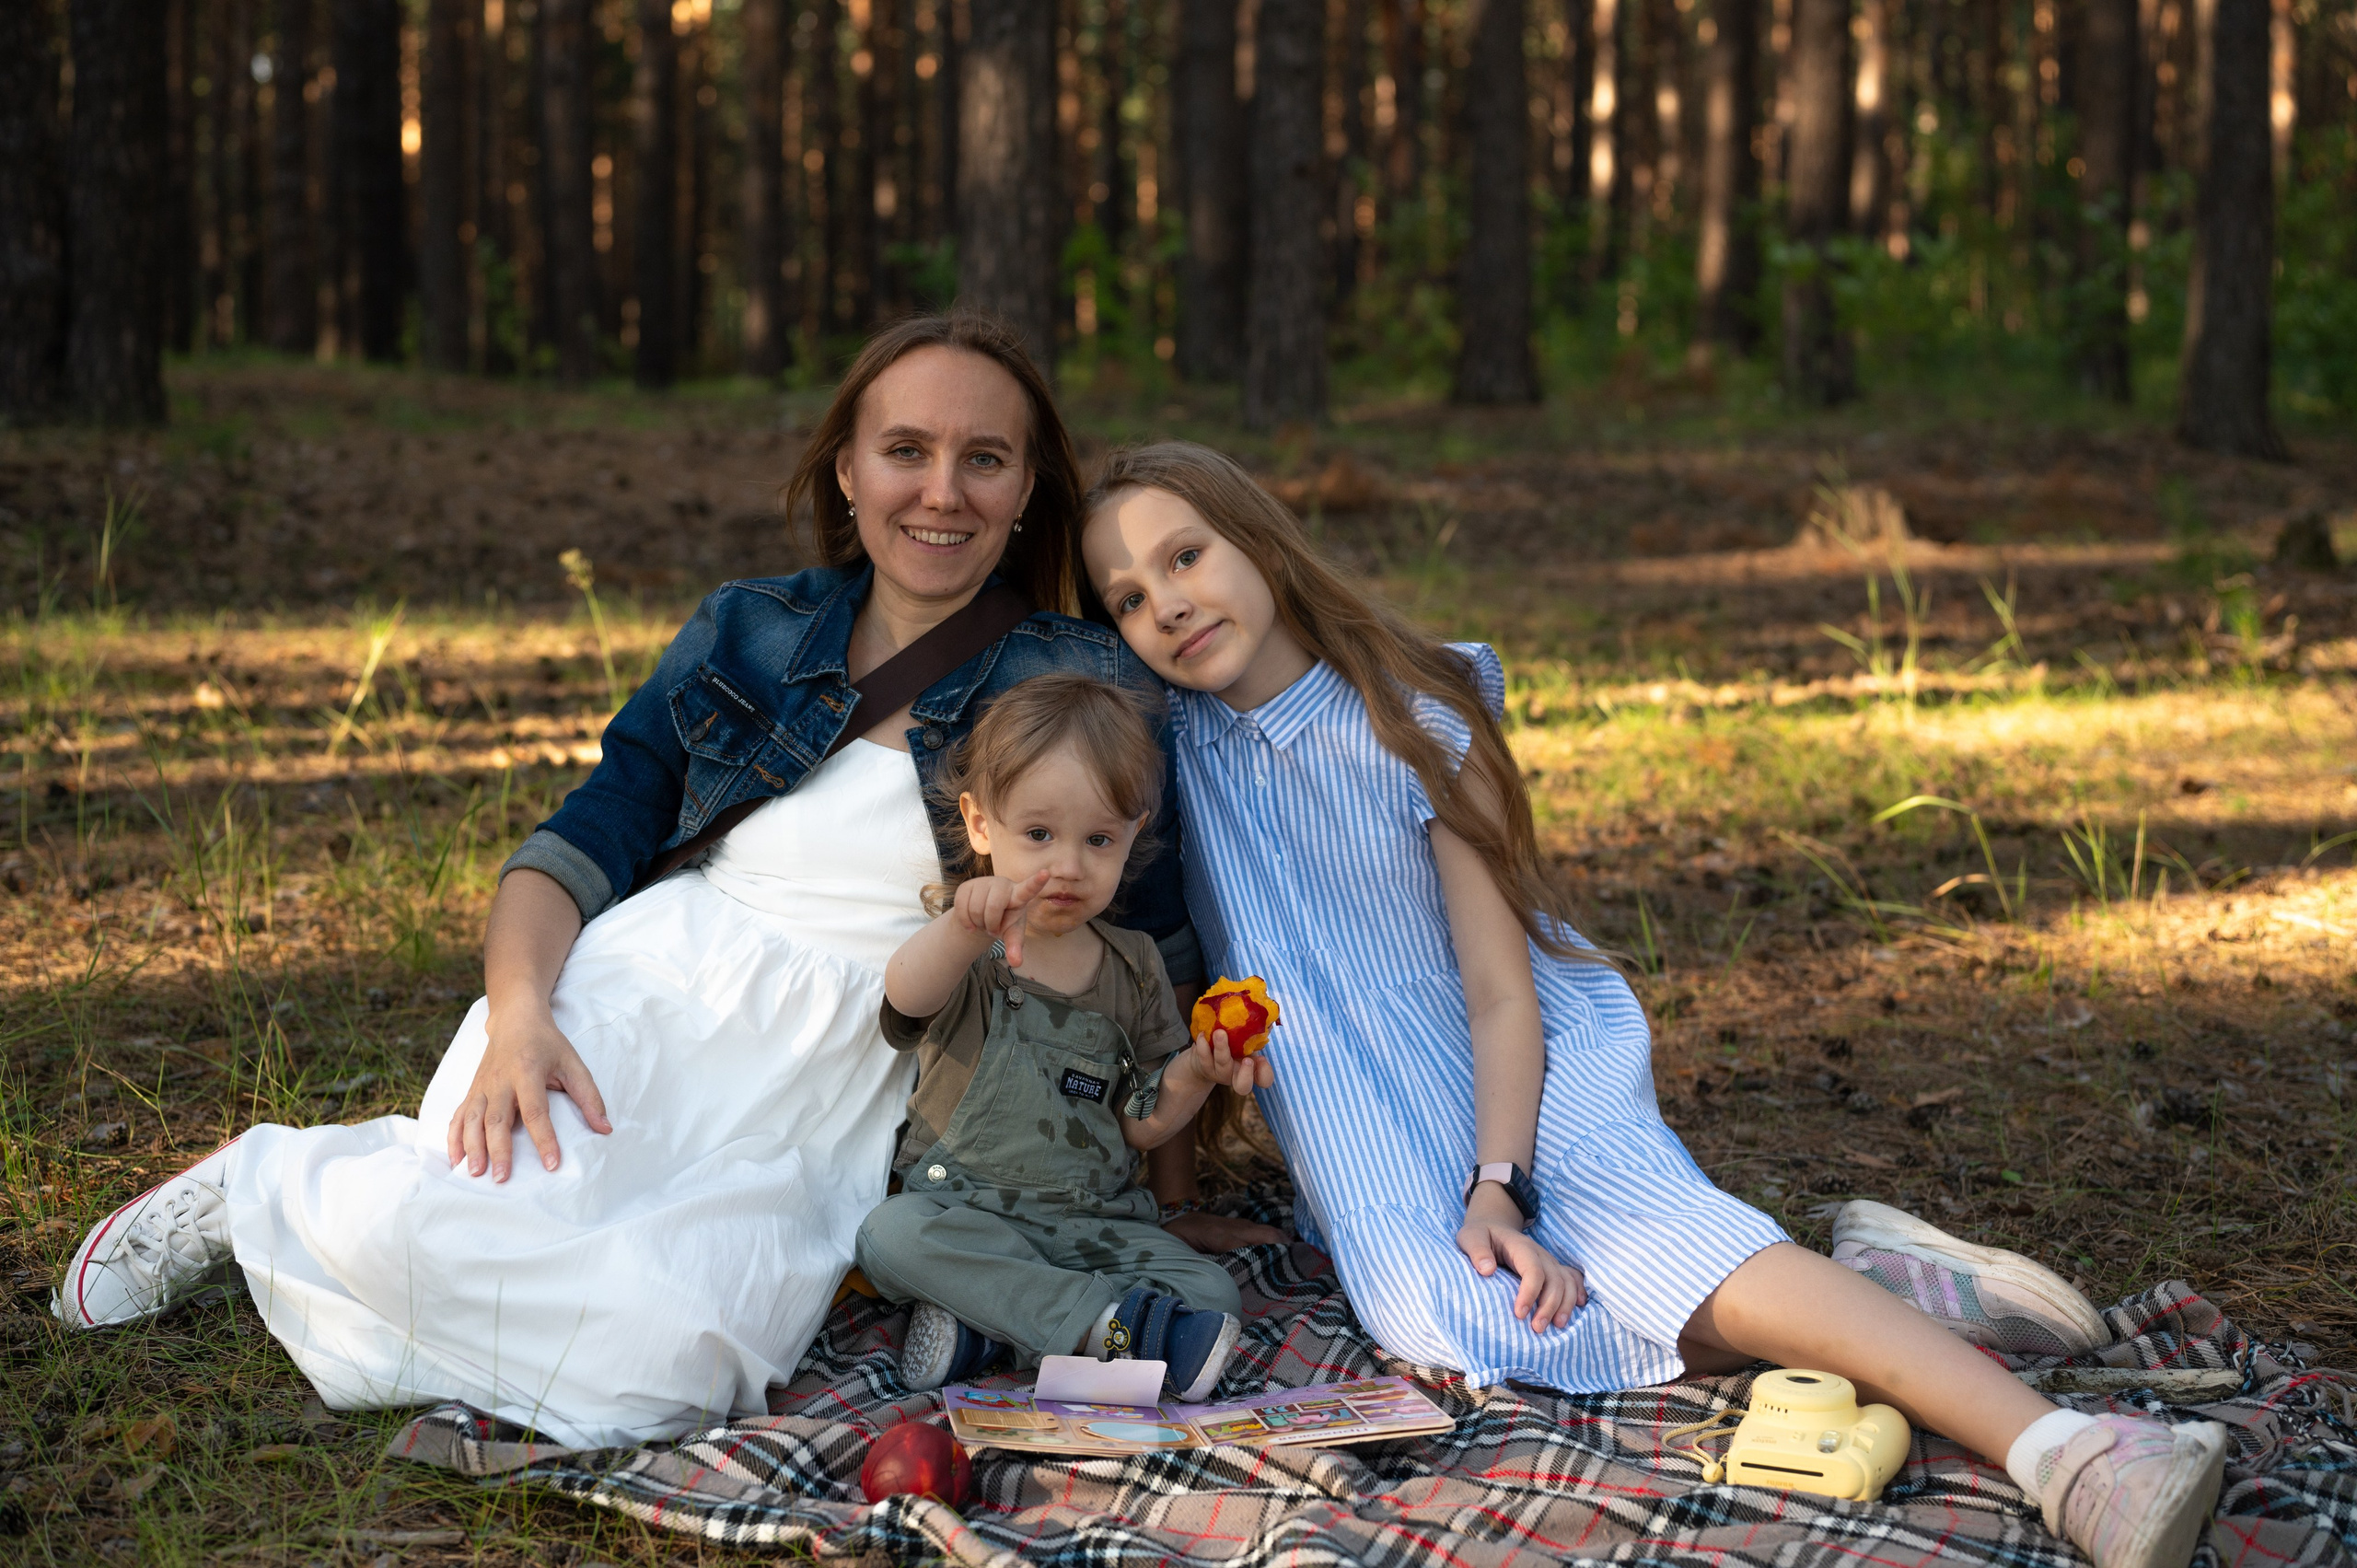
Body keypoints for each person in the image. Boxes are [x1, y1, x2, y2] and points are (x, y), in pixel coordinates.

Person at [50, 314, 1206, 1450]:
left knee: (675, 1357)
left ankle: (360, 1249)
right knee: (436, 1215)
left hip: (857, 1063)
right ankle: (262, 1184)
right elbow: (582, 837)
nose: (941, 491)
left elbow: (1136, 950)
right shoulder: (750, 628)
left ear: (1025, 485)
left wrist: (1164, 1171)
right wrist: (518, 1015)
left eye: (983, 458)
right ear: (849, 469)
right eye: (906, 449)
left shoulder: (1080, 670)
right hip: (658, 994)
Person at [1077, 440, 2229, 1568]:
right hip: (1368, 1117)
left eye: (1186, 557)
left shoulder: (1410, 720)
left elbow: (1498, 992)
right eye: (1128, 597)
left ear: (1264, 546)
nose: (1167, 606)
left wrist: (1500, 1183)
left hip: (1521, 1066)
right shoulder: (1169, 751)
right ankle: (1870, 1285)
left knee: (1649, 1248)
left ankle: (2070, 1452)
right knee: (1453, 1318)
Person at [854, 674, 1269, 1400]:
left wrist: (1198, 1071)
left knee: (1211, 1290)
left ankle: (989, 1332)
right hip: (967, 1211)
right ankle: (1103, 1332)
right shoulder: (967, 944)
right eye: (1039, 833)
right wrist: (959, 926)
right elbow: (903, 998)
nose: (1068, 865)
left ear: (1134, 833)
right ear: (982, 826)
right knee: (890, 1235)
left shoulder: (1134, 967)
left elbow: (1143, 1124)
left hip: (1092, 1226)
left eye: (1098, 838)